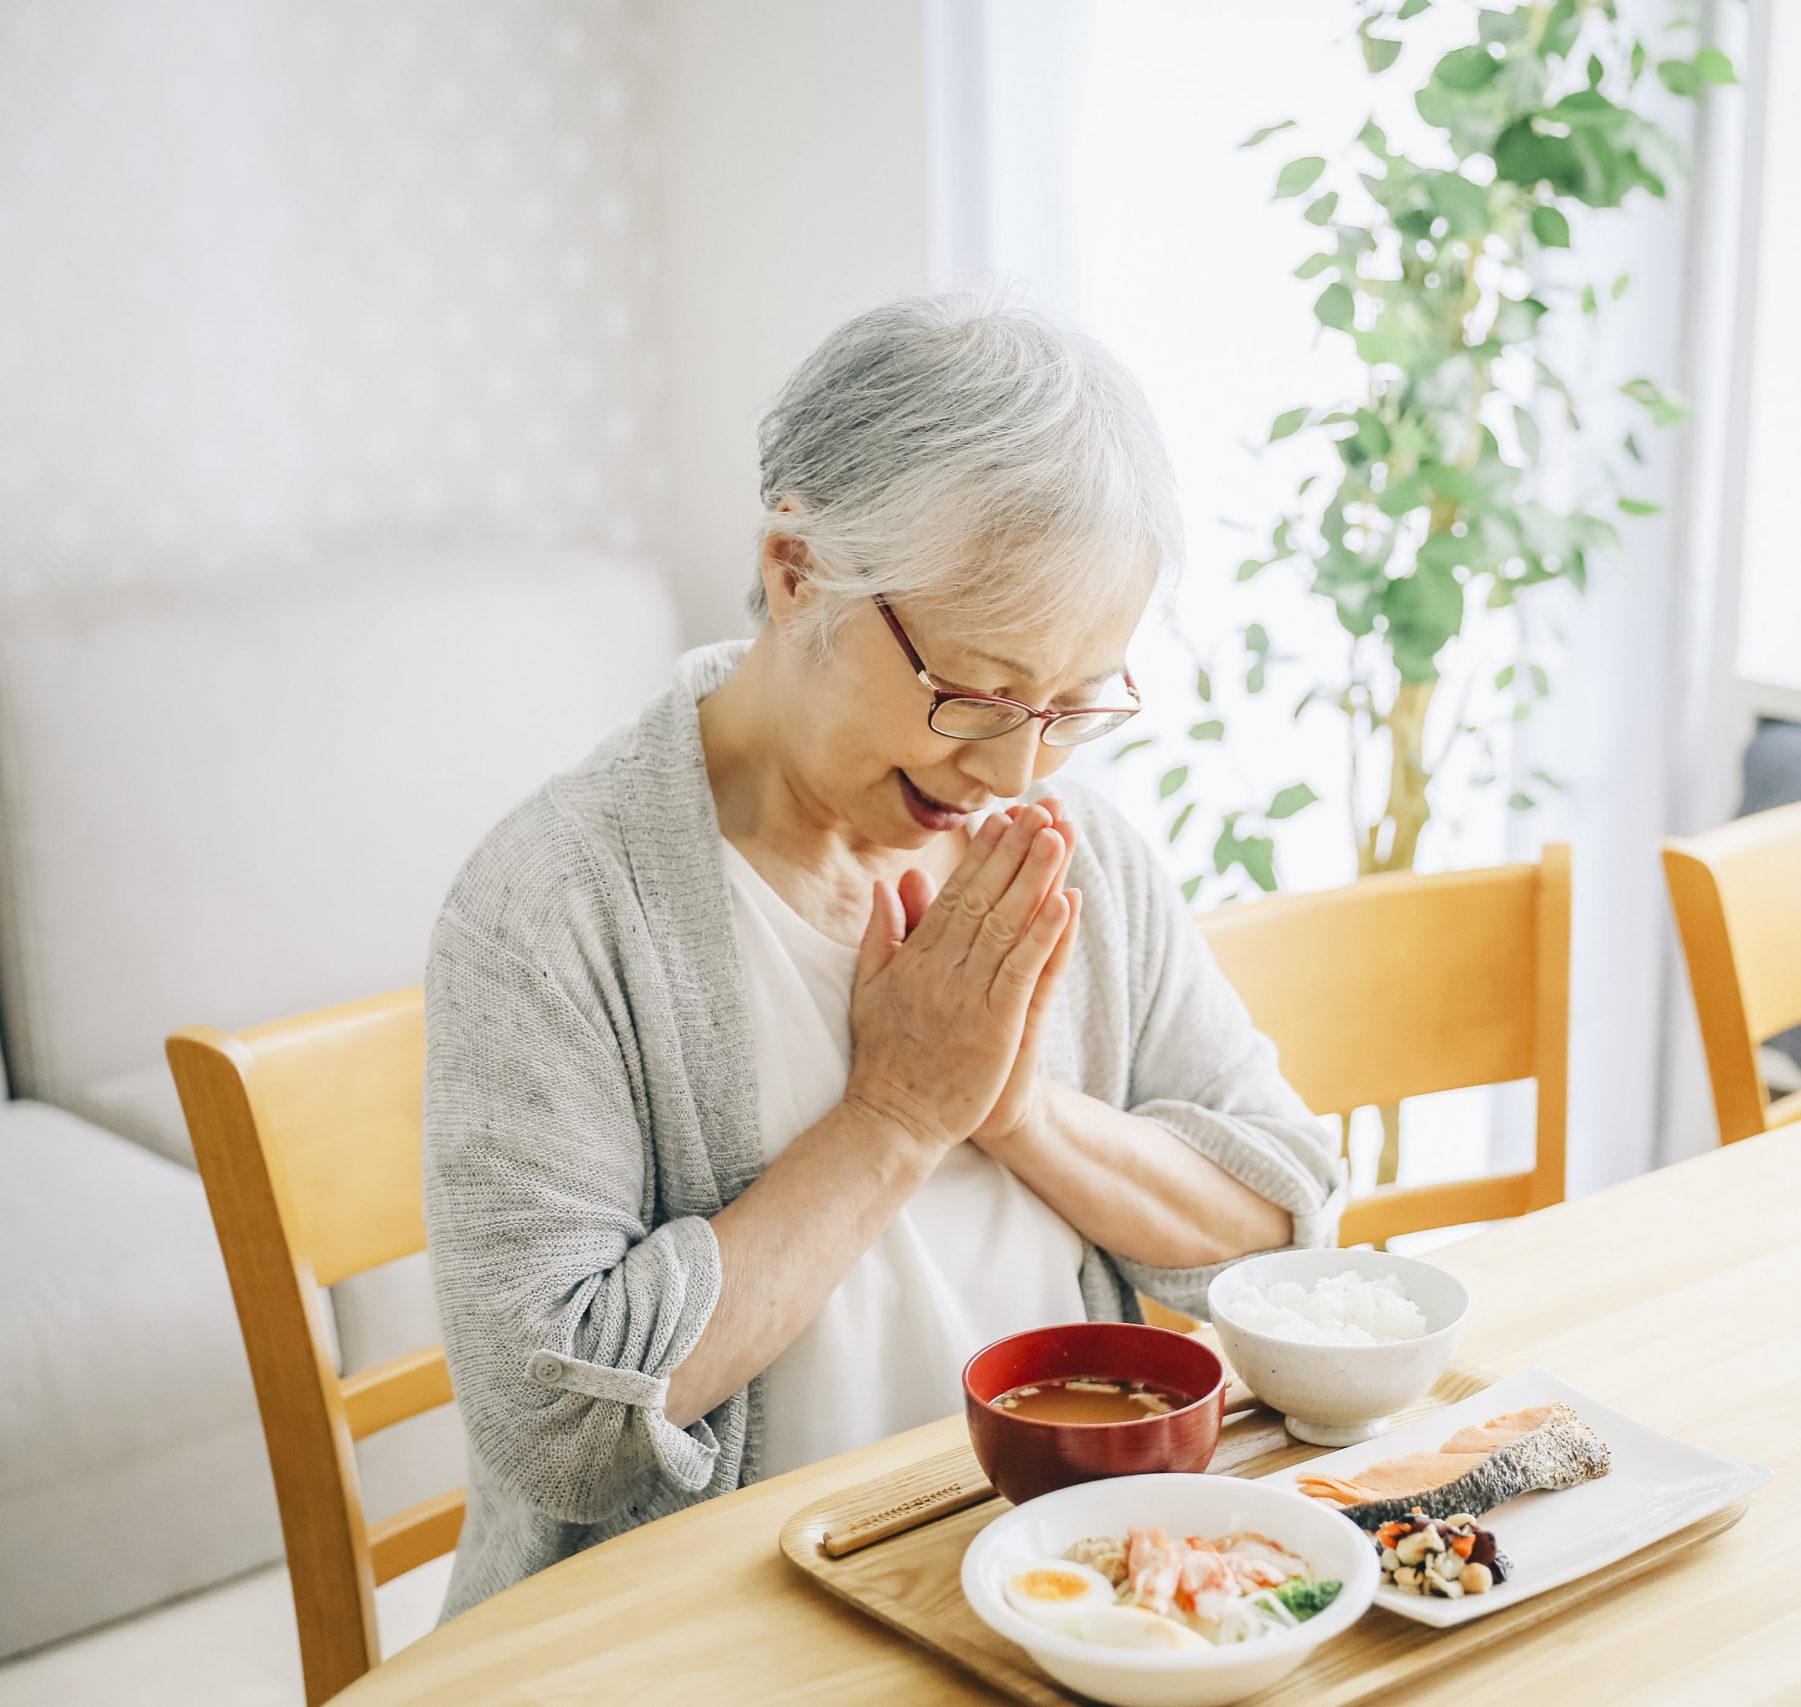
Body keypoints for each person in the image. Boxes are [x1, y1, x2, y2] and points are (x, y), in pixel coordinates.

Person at [422, 290, 1344, 1619]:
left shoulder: (1069, 847)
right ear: (798, 571)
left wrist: (1018, 1110)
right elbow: (553, 1414)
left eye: (1073, 708)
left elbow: (1281, 1223)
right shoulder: (557, 905)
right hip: (705, 1637)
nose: (1017, 768)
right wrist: (900, 1115)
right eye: (973, 693)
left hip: (1057, 1603)